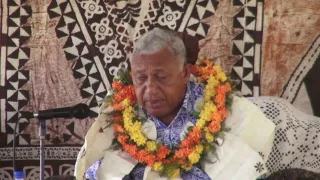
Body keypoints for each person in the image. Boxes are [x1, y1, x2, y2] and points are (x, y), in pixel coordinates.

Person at [74, 28, 275, 180]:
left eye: (161, 77)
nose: (150, 89)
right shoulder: (120, 113)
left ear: (185, 73)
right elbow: (97, 172)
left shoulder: (222, 109)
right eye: (140, 78)